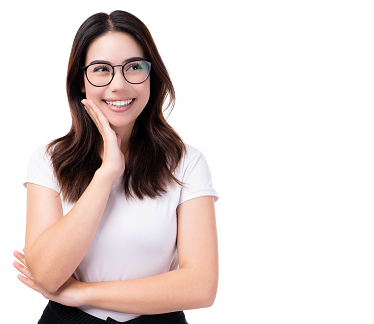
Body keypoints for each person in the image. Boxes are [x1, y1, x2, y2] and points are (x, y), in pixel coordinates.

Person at [12, 10, 219, 324]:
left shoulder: (186, 163)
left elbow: (201, 287)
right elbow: (46, 275)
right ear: (81, 82)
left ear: (152, 76)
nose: (118, 84)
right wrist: (107, 172)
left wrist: (82, 293)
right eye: (101, 70)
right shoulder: (49, 161)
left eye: (134, 67)